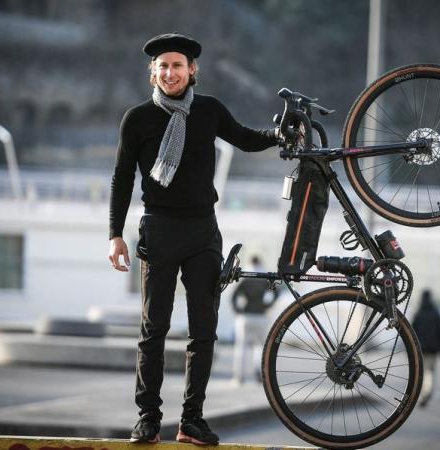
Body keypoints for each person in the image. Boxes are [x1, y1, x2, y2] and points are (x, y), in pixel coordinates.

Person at [107, 33, 279, 445]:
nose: (170, 73)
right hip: (159, 229)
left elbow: (246, 139)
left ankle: (192, 421)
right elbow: (120, 179)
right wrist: (115, 235)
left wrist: (279, 135)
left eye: (177, 65)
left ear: (192, 70)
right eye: (163, 66)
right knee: (154, 329)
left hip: (203, 231)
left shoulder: (209, 111)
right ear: (153, 71)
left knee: (203, 332)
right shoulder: (137, 119)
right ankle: (147, 418)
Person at [231, 255, 278, 384]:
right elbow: (276, 292)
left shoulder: (245, 276)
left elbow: (234, 296)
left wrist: (237, 310)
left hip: (245, 315)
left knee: (242, 346)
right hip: (261, 315)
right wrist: (267, 305)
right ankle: (259, 374)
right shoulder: (264, 276)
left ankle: (239, 377)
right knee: (260, 347)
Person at [411, 289, 440, 407]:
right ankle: (426, 394)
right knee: (430, 373)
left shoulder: (418, 312)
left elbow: (411, 331)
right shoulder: (436, 312)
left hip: (420, 348)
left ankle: (421, 394)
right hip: (433, 348)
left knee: (420, 372)